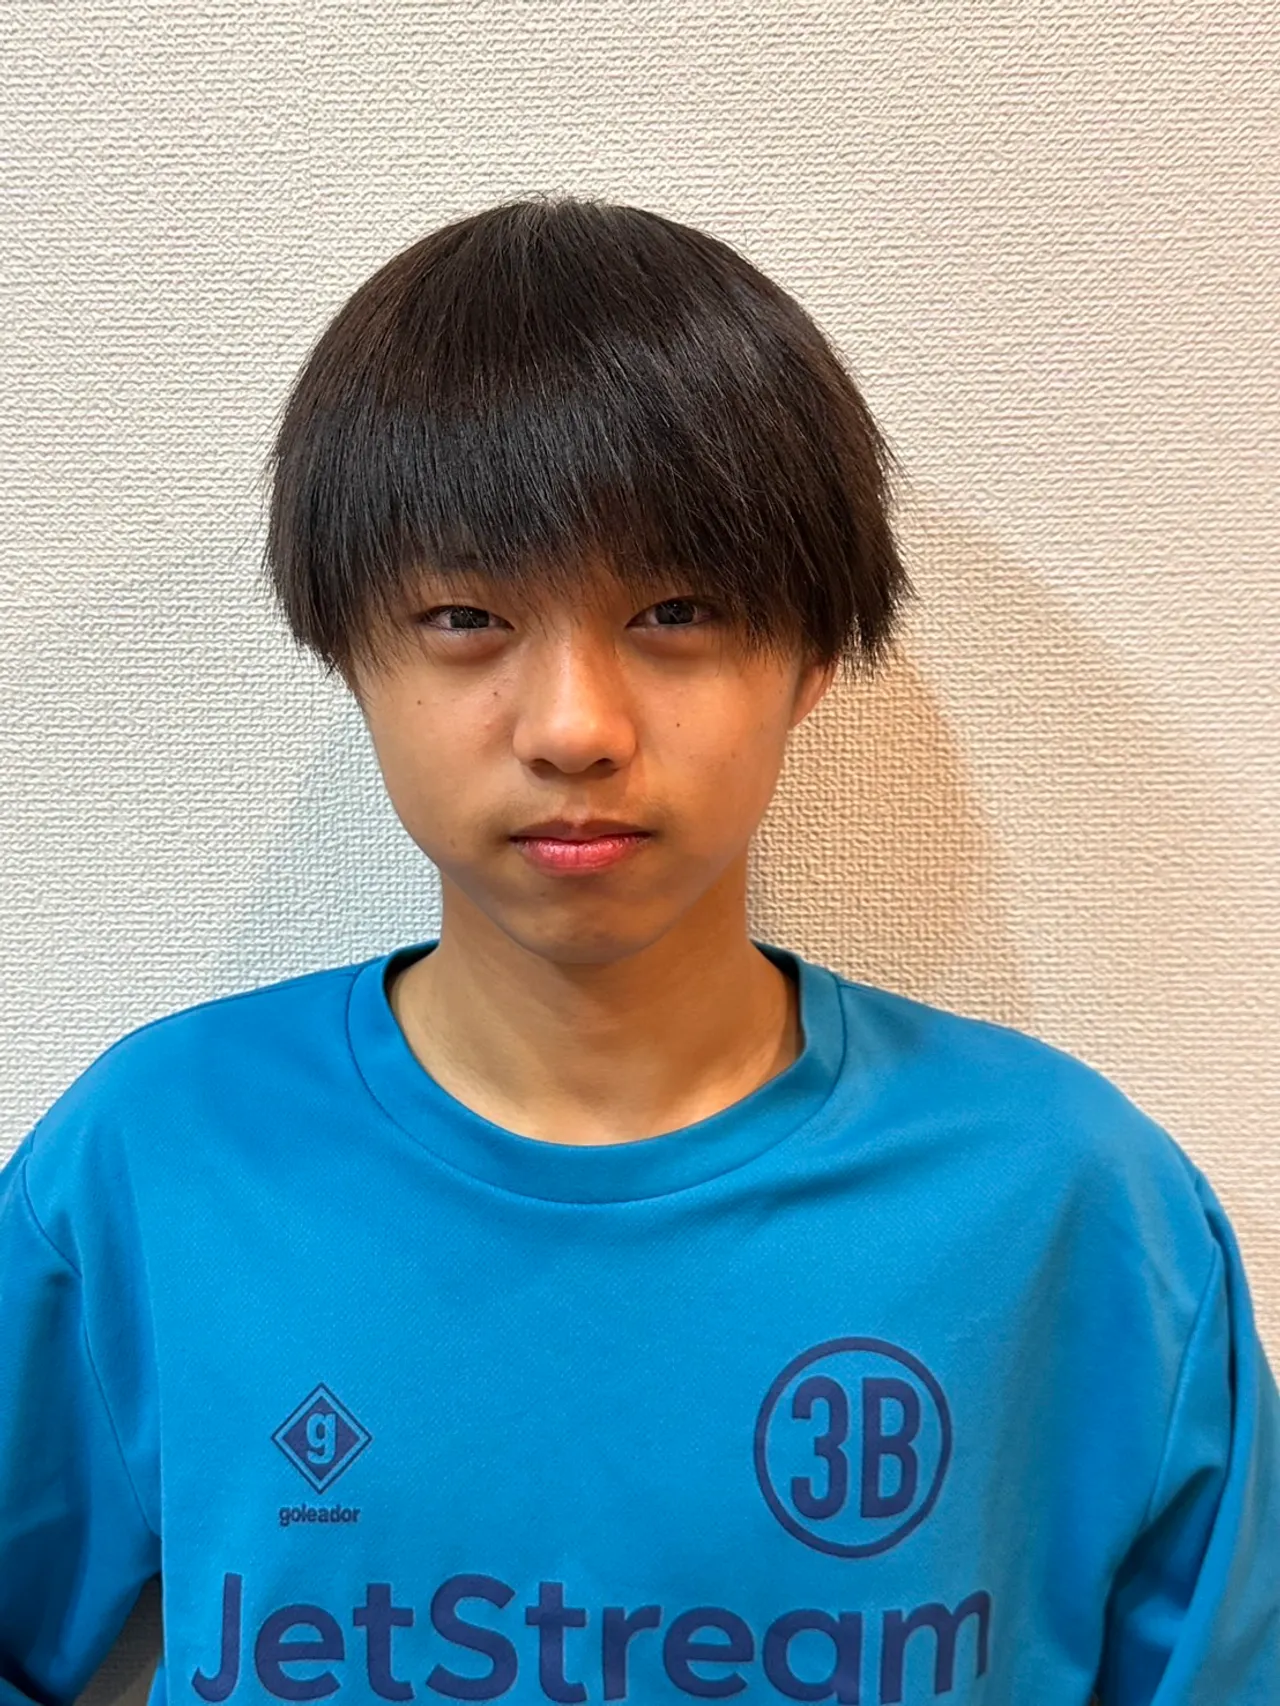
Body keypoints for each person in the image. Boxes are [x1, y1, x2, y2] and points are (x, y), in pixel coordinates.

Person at [1, 194, 1276, 1706]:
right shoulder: (157, 1161)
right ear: (347, 650)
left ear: (814, 655)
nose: (574, 728)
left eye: (675, 610)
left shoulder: (1074, 1206)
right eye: (464, 615)